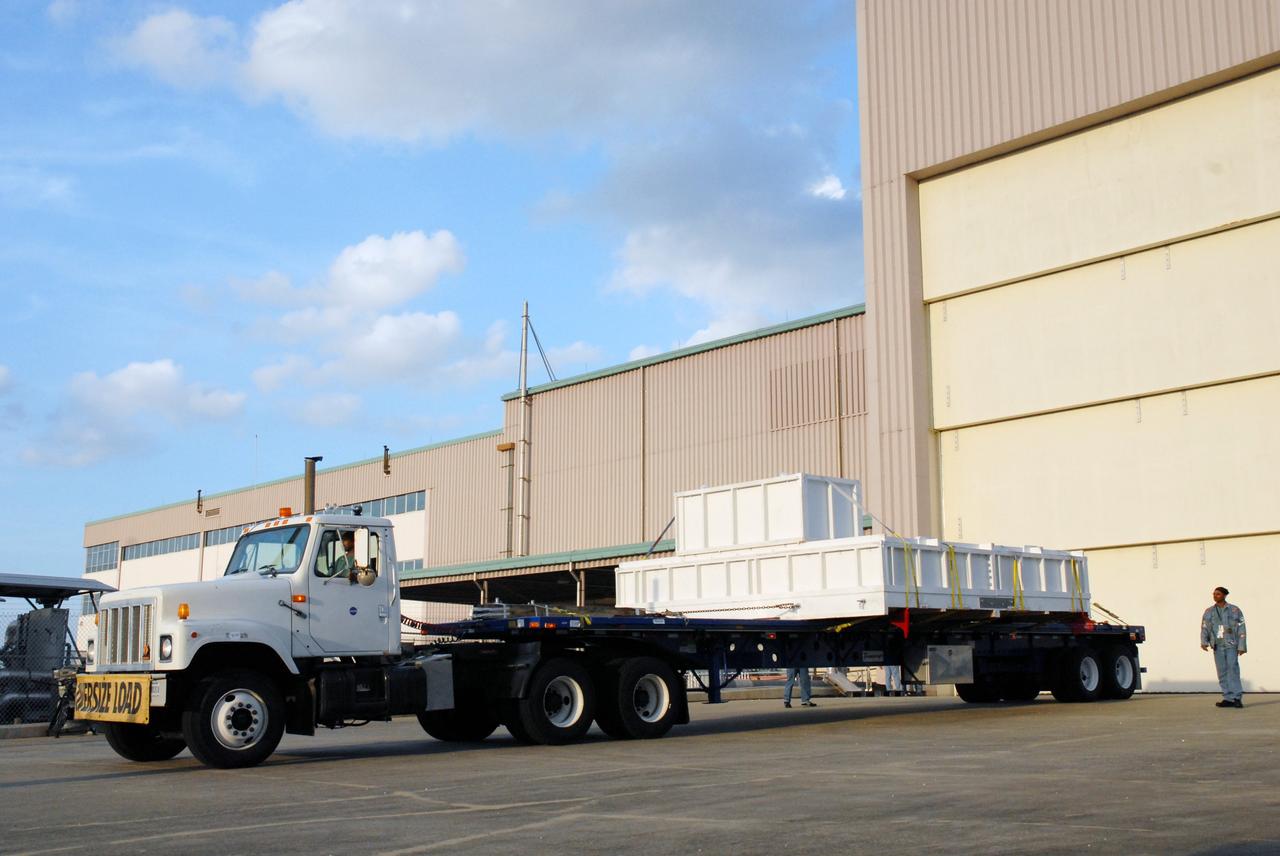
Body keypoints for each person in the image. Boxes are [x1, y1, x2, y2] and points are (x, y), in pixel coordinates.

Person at [1200, 586, 1246, 708]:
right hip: (1217, 646)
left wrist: (1242, 646)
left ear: (1225, 595)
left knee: (1233, 670)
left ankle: (1237, 697)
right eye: (1214, 594)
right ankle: (1228, 698)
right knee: (1222, 672)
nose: (1215, 596)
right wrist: (1204, 641)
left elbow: (1241, 627)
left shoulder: (1235, 610)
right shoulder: (1209, 611)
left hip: (1231, 645)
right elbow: (1205, 627)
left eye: (1218, 594)